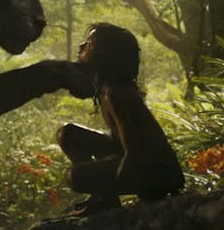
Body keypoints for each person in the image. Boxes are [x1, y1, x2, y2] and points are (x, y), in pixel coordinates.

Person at [57, 22, 184, 212]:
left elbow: (134, 150)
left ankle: (104, 198)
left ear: (105, 55)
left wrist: (113, 184)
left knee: (74, 176)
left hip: (157, 171)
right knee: (67, 133)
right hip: (135, 157)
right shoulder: (106, 88)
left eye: (89, 44)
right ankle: (102, 198)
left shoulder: (115, 92)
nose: (81, 47)